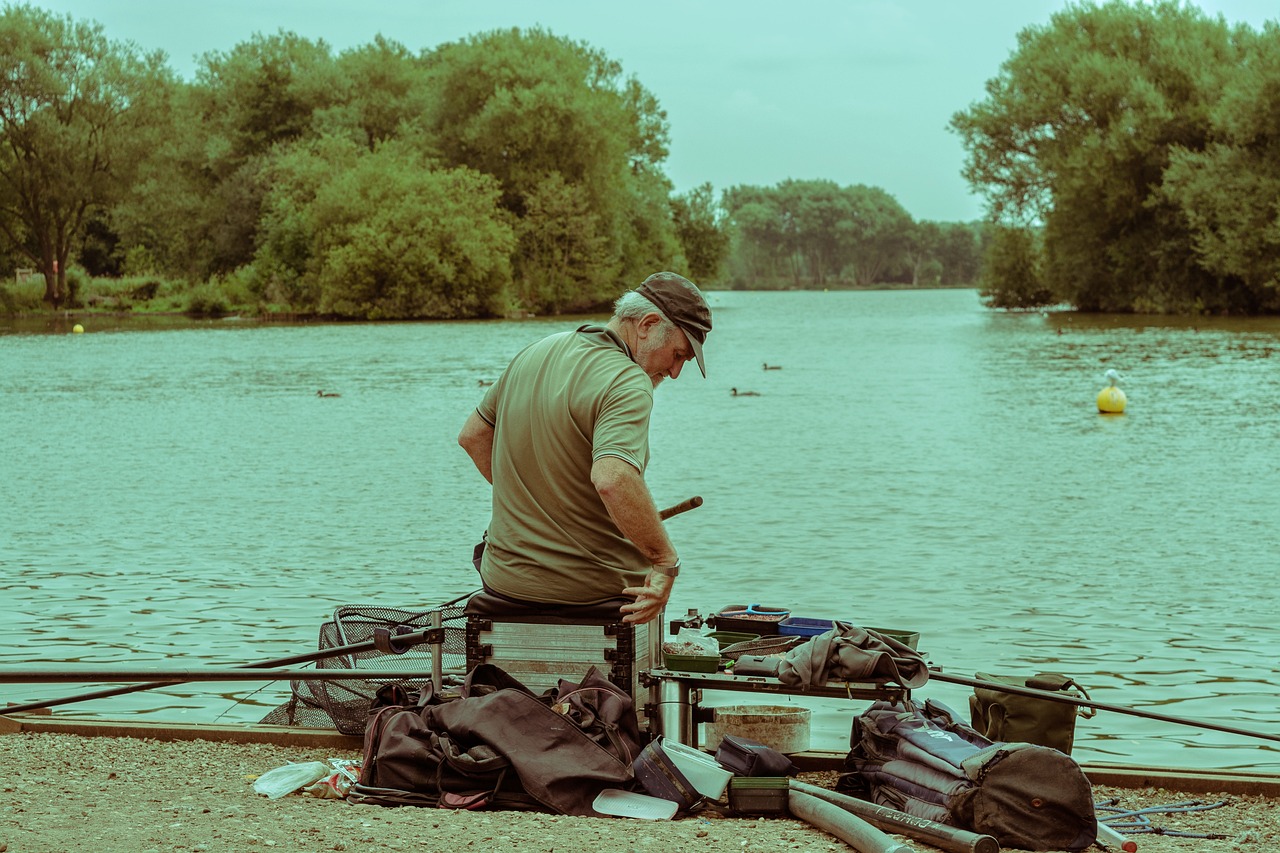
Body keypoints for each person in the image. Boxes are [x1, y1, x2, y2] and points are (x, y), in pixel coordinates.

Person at [457, 272, 712, 625]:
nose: (675, 372)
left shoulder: (537, 351)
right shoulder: (628, 381)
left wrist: (539, 509)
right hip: (592, 595)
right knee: (654, 585)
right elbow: (613, 477)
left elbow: (473, 436)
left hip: (503, 583)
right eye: (678, 354)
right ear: (648, 325)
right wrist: (666, 561)